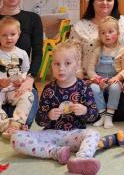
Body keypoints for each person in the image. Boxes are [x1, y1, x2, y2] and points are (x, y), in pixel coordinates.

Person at [11, 40, 100, 175]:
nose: (61, 68)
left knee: (94, 134)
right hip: (52, 135)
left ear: (77, 65)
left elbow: (94, 115)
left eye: (67, 63)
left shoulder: (83, 87)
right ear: (52, 65)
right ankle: (55, 152)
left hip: (75, 134)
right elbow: (39, 120)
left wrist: (85, 110)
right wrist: (49, 116)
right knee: (16, 137)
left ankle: (82, 159)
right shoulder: (49, 89)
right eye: (57, 64)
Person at [69, 0, 124, 121]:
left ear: (114, 2)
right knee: (89, 116)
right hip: (89, 81)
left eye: (109, 0)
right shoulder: (79, 27)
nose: (105, 3)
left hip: (118, 80)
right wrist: (81, 81)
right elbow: (74, 57)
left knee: (123, 115)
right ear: (92, 1)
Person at [0, 0, 42, 127]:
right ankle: (7, 123)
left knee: (27, 120)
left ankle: (10, 122)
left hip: (22, 83)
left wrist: (29, 79)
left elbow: (38, 53)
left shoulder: (33, 18)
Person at [87, 16, 124, 129]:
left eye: (110, 32)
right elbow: (90, 69)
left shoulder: (122, 50)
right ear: (99, 36)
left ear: (118, 33)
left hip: (113, 79)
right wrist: (97, 79)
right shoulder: (97, 50)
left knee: (115, 88)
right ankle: (102, 115)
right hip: (99, 80)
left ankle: (109, 115)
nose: (107, 35)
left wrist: (118, 77)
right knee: (93, 88)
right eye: (103, 33)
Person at [0, 16, 34, 138]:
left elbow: (26, 70)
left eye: (12, 34)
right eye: (4, 35)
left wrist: (21, 80)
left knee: (28, 95)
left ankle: (16, 122)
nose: (9, 38)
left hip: (15, 89)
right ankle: (6, 125)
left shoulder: (22, 53)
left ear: (18, 35)